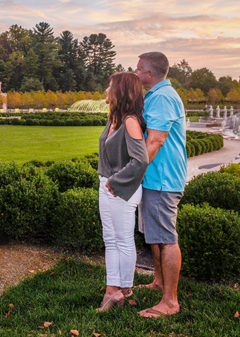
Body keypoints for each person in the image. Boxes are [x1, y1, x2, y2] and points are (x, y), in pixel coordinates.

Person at [133, 52, 187, 318]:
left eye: (138, 69)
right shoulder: (157, 95)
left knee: (166, 239)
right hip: (154, 178)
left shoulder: (163, 98)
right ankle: (158, 282)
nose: (135, 71)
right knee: (154, 235)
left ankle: (170, 302)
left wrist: (131, 173)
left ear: (150, 74)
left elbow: (155, 141)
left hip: (163, 179)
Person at [96, 72, 149, 311]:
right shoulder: (113, 118)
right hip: (107, 185)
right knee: (110, 240)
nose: (107, 90)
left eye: (110, 86)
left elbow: (140, 160)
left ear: (120, 91)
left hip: (121, 190)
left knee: (123, 240)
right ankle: (111, 290)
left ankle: (124, 288)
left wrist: (116, 183)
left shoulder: (130, 121)